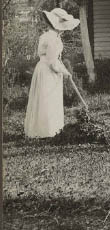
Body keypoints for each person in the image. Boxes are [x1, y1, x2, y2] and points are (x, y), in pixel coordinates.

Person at [24, 8, 79, 138]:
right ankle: (47, 131)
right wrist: (63, 72)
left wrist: (65, 71)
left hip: (42, 68)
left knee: (44, 98)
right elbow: (52, 62)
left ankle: (41, 129)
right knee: (48, 98)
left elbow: (54, 59)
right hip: (48, 71)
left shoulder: (46, 35)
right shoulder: (53, 39)